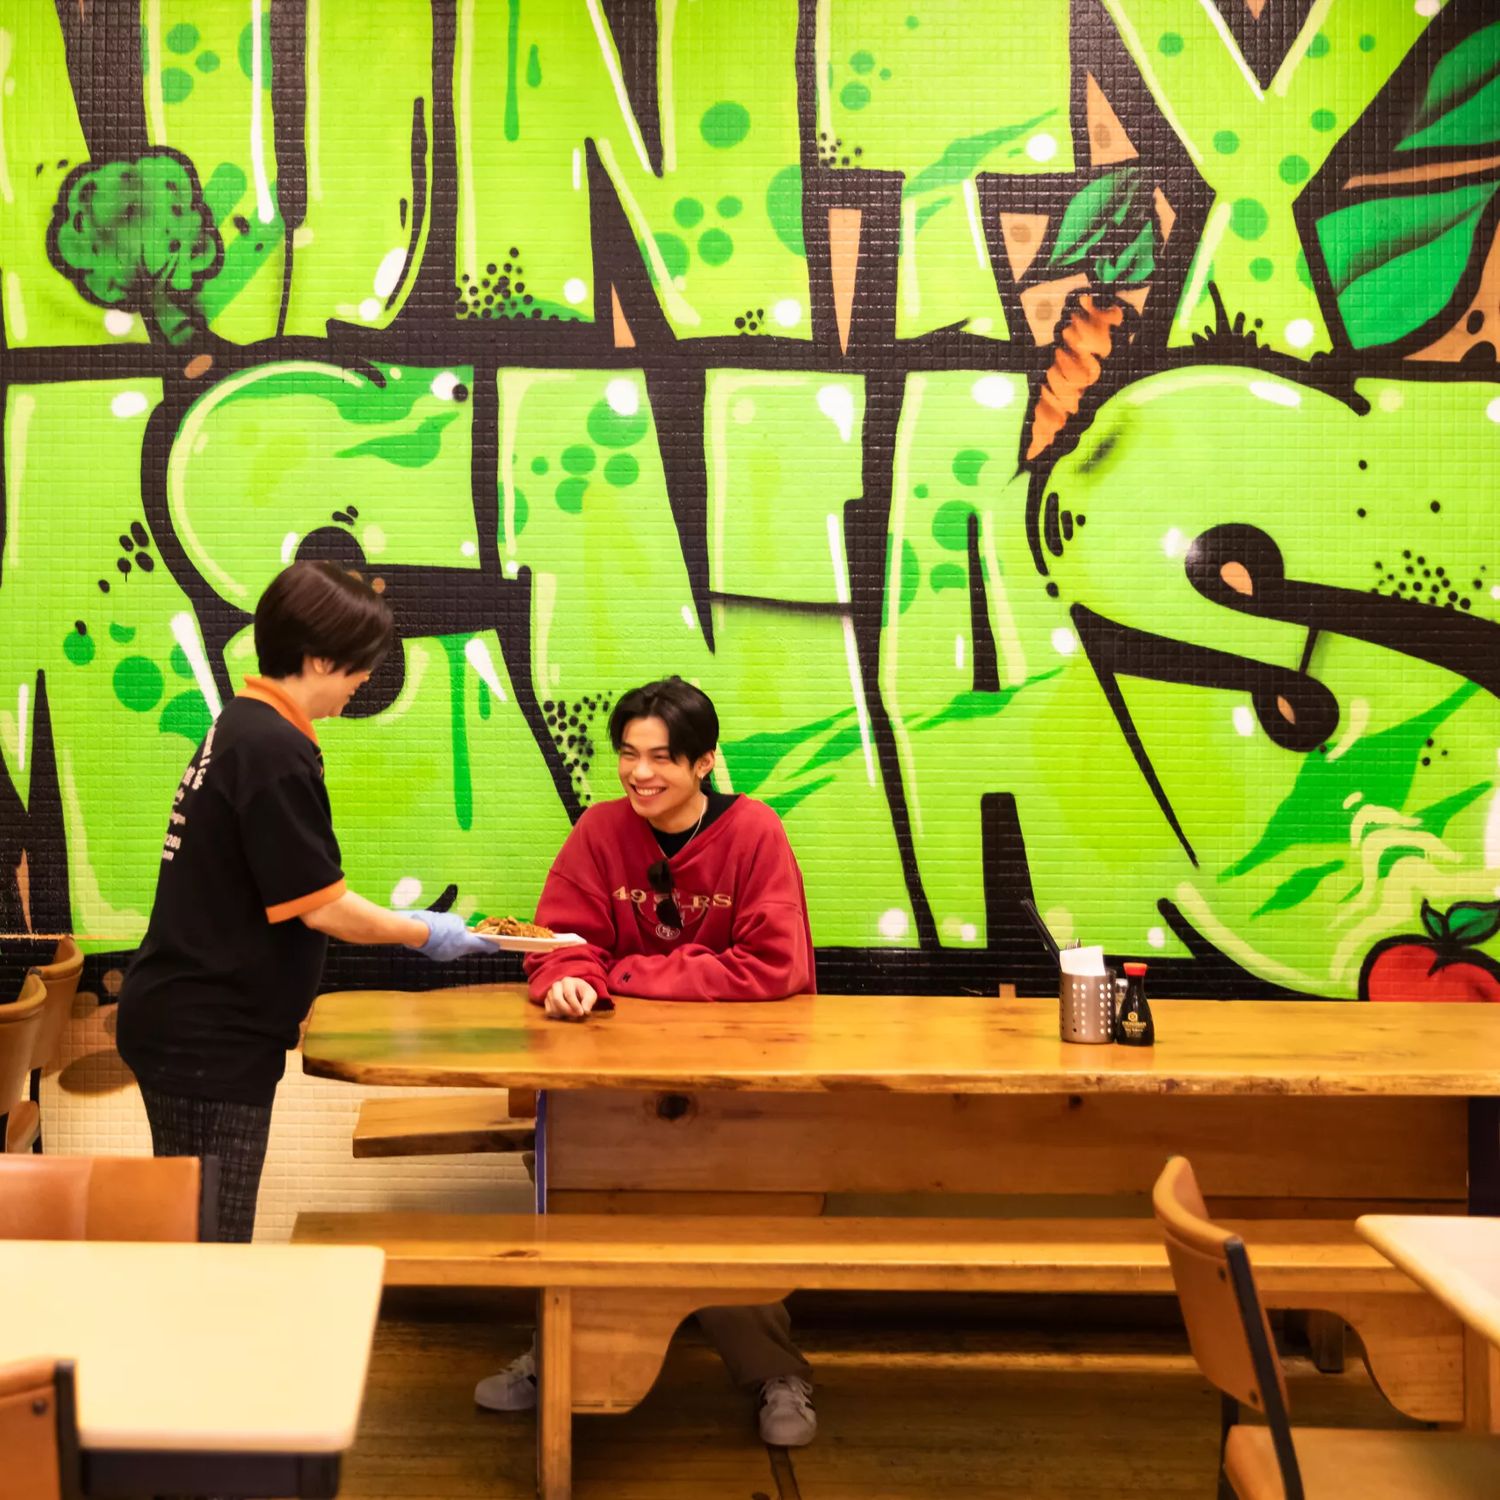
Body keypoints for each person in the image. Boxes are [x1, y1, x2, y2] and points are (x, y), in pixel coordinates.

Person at [473, 676, 819, 1446]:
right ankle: (557, 1355)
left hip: (735, 1082)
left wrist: (623, 975)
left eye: (662, 757)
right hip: (612, 1083)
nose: (640, 773)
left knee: (741, 1209)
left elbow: (775, 965)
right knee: (575, 1190)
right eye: (628, 754)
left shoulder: (754, 831)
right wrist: (567, 981)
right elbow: (561, 944)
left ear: (704, 763)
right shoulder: (599, 831)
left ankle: (772, 1371)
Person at [116, 560, 493, 1242]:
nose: (365, 682)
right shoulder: (271, 746)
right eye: (359, 667)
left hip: (196, 1026)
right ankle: (201, 1353)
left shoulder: (247, 725)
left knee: (199, 1236)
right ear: (320, 659)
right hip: (208, 1038)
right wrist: (424, 933)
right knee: (211, 1244)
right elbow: (321, 905)